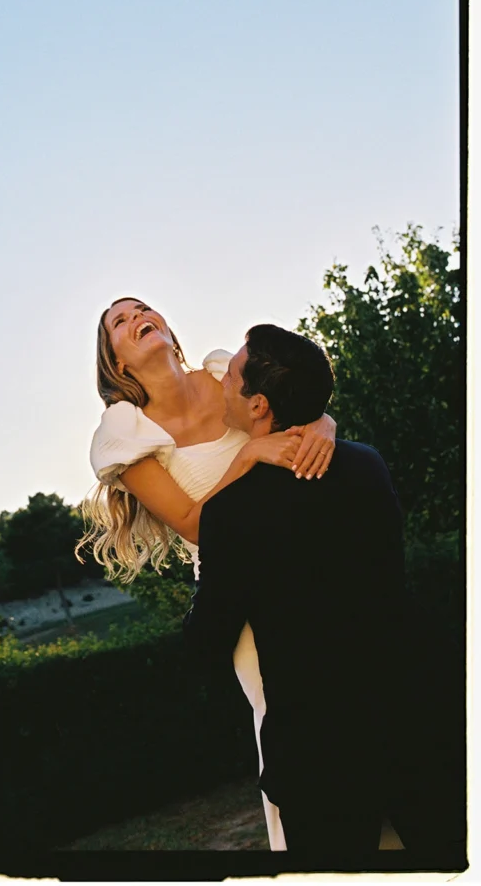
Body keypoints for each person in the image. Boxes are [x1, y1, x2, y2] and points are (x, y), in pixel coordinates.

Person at [80, 298, 337, 850]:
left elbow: (295, 406)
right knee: (282, 716)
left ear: (168, 328)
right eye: (119, 324)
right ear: (118, 363)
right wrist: (248, 458)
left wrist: (325, 422)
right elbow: (197, 525)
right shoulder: (127, 429)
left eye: (142, 309)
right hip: (240, 592)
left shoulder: (228, 372)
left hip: (311, 557)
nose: (135, 318)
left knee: (351, 691)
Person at [183, 324, 406, 860]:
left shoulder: (232, 512)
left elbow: (205, 644)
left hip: (318, 757)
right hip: (405, 727)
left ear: (258, 405)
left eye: (231, 377)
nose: (221, 385)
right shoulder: (367, 463)